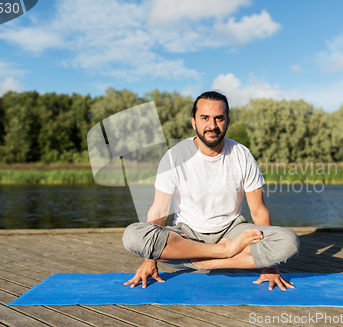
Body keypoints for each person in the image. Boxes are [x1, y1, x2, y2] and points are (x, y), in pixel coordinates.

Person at [122, 91, 300, 290]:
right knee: (134, 236)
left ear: (227, 121)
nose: (212, 125)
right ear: (193, 122)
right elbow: (158, 212)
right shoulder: (174, 156)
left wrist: (270, 267)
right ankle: (224, 252)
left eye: (219, 118)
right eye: (205, 118)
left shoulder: (242, 154)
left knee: (288, 242)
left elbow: (258, 211)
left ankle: (203, 260)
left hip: (232, 232)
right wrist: (149, 261)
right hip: (186, 236)